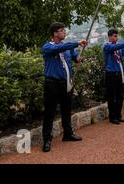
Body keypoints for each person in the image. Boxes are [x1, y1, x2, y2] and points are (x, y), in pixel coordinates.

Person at [41, 22, 86, 153]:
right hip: (52, 84)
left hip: (66, 83)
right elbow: (58, 49)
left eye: (64, 30)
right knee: (49, 112)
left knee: (67, 110)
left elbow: (74, 57)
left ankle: (68, 134)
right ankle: (47, 140)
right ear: (55, 33)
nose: (64, 32)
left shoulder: (67, 47)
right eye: (61, 30)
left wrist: (78, 58)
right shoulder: (47, 47)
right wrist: (77, 42)